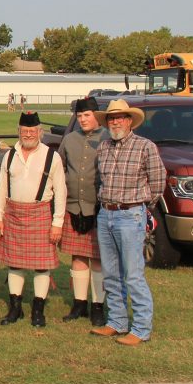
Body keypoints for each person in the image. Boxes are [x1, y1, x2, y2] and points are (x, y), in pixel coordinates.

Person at [92, 99, 166, 347]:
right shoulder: (103, 147)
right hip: (106, 213)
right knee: (111, 273)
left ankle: (142, 328)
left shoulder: (145, 147)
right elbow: (98, 182)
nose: (115, 122)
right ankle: (117, 322)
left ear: (130, 120)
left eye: (120, 117)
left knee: (133, 275)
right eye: (112, 118)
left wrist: (143, 209)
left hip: (130, 214)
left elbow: (158, 182)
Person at [0, 112, 66, 327]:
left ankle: (38, 310)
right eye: (24, 131)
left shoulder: (52, 157)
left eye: (32, 131)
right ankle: (15, 308)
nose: (28, 134)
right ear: (19, 132)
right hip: (13, 214)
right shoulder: (10, 155)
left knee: (42, 266)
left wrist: (57, 223)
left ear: (40, 132)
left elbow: (61, 192)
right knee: (14, 263)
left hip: (41, 213)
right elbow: (1, 188)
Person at [58, 97, 106, 325]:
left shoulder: (107, 138)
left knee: (97, 259)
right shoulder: (69, 139)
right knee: (77, 256)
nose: (83, 120)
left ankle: (98, 305)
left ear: (97, 115)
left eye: (87, 115)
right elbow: (60, 168)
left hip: (98, 207)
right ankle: (79, 304)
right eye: (79, 116)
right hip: (73, 206)